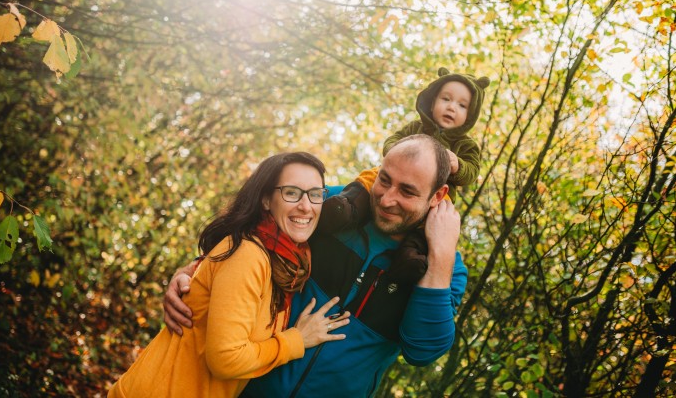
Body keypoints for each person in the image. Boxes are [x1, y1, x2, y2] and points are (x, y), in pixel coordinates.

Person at [164, 135, 468, 397]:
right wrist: (196, 271)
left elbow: (422, 351)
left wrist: (440, 258)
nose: (387, 199)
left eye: (407, 191)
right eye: (384, 180)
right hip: (245, 387)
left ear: (437, 196)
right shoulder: (335, 207)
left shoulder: (443, 267)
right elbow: (251, 230)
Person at [109, 152, 350, 398]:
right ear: (266, 200)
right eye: (291, 193)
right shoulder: (248, 255)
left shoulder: (284, 263)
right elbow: (225, 359)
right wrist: (296, 340)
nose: (305, 205)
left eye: (315, 194)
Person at [320, 67, 489, 282]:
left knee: (437, 219)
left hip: (434, 197)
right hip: (394, 173)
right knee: (371, 176)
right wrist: (399, 151)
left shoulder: (465, 145)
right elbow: (392, 142)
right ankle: (348, 206)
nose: (451, 107)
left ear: (470, 114)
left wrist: (458, 166)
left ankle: (412, 256)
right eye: (446, 99)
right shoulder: (416, 127)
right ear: (432, 100)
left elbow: (472, 173)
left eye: (461, 105)